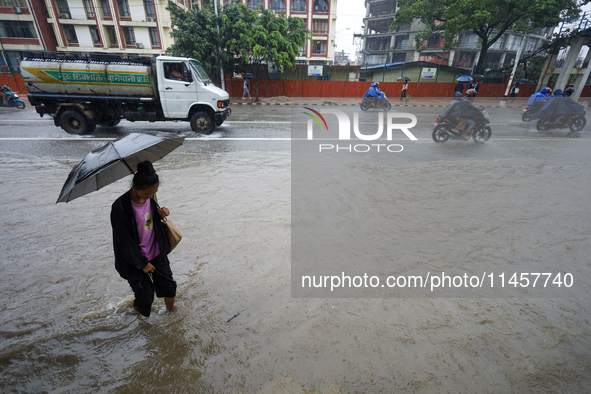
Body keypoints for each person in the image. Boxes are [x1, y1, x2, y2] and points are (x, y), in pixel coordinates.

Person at [111, 161, 176, 317]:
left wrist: (161, 213)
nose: (149, 197)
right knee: (145, 296)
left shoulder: (151, 197)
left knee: (169, 287)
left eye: (153, 192)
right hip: (133, 260)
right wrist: (142, 263)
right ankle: (136, 317)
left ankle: (171, 316)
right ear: (134, 186)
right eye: (146, 194)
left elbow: (150, 219)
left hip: (156, 251)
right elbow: (124, 241)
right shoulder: (119, 207)